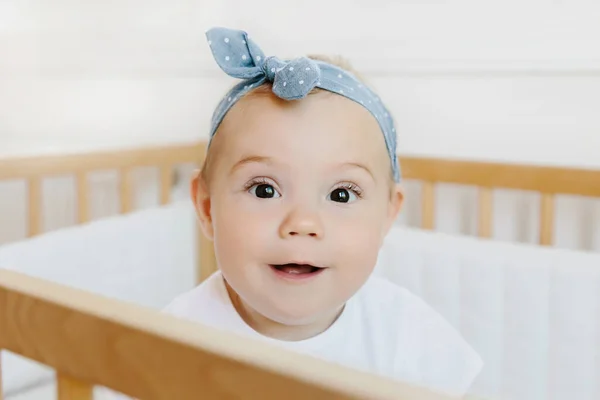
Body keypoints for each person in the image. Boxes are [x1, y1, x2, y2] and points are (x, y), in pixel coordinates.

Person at [103, 26, 483, 399]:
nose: (302, 223)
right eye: (265, 190)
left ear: (387, 215)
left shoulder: (408, 337)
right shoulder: (173, 344)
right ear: (206, 207)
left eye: (341, 194)